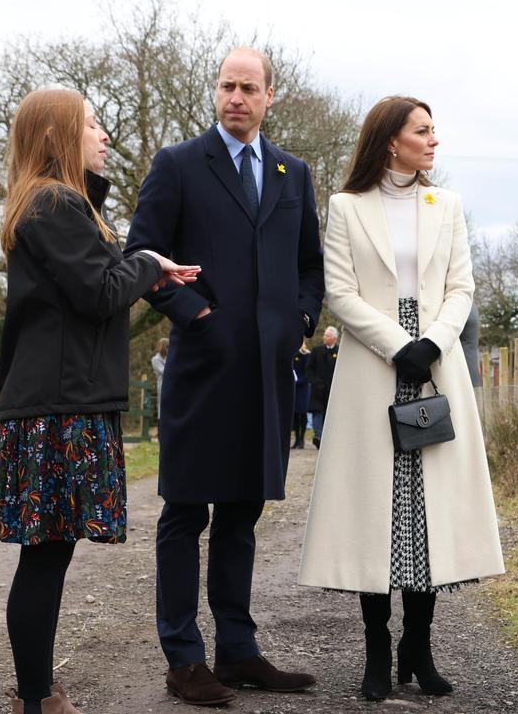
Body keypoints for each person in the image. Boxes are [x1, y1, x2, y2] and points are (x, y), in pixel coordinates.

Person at [124, 47, 324, 706]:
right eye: (226, 86)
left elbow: (308, 264)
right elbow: (141, 258)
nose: (236, 97)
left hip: (265, 373)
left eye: (248, 88)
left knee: (242, 515)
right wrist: (197, 313)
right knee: (185, 513)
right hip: (203, 369)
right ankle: (185, 661)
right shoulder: (178, 165)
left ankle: (238, 652)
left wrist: (297, 318)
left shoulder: (292, 173)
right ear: (217, 93)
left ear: (270, 96)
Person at [0, 88, 199, 714]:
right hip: (59, 410)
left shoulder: (62, 204)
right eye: (91, 125)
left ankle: (38, 691)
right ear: (59, 134)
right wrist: (147, 262)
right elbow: (100, 291)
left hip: (63, 403)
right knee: (46, 556)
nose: (104, 135)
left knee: (49, 555)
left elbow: (96, 284)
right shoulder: (53, 203)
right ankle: (38, 699)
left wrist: (136, 261)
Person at [297, 96, 505, 701]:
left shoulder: (448, 205)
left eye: (434, 130)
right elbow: (341, 291)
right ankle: (375, 653)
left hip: (435, 367)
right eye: (423, 130)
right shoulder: (347, 207)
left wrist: (433, 342)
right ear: (392, 140)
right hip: (372, 365)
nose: (434, 140)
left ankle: (419, 645)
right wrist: (396, 344)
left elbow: (461, 286)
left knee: (427, 509)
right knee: (377, 508)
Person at [305, 326, 338, 447]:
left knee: (331, 414)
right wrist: (315, 382)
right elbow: (308, 369)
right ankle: (318, 436)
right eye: (324, 335)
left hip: (333, 390)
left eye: (328, 335)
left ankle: (329, 438)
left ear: (334, 338)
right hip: (318, 389)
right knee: (317, 413)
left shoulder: (340, 352)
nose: (325, 337)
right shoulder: (316, 350)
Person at [291, 341, 310, 449]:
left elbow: (307, 372)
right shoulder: (292, 355)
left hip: (302, 389)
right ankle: (296, 439)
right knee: (294, 415)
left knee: (302, 414)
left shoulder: (306, 356)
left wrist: (298, 381)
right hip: (293, 388)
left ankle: (302, 439)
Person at [151, 337, 168, 420]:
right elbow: (163, 371)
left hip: (171, 384)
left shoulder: (168, 358)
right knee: (161, 407)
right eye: (167, 346)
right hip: (162, 385)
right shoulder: (155, 359)